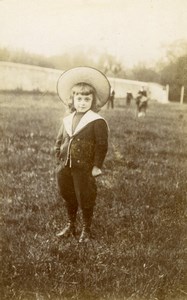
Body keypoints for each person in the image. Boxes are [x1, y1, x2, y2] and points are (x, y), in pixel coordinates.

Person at [55, 67, 110, 243]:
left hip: (84, 167)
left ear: (93, 101)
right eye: (79, 98)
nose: (83, 102)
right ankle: (71, 225)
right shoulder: (67, 119)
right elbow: (60, 139)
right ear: (72, 100)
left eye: (87, 99)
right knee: (68, 194)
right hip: (66, 165)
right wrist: (59, 154)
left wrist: (96, 166)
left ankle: (86, 228)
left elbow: (102, 145)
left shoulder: (96, 121)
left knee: (85, 196)